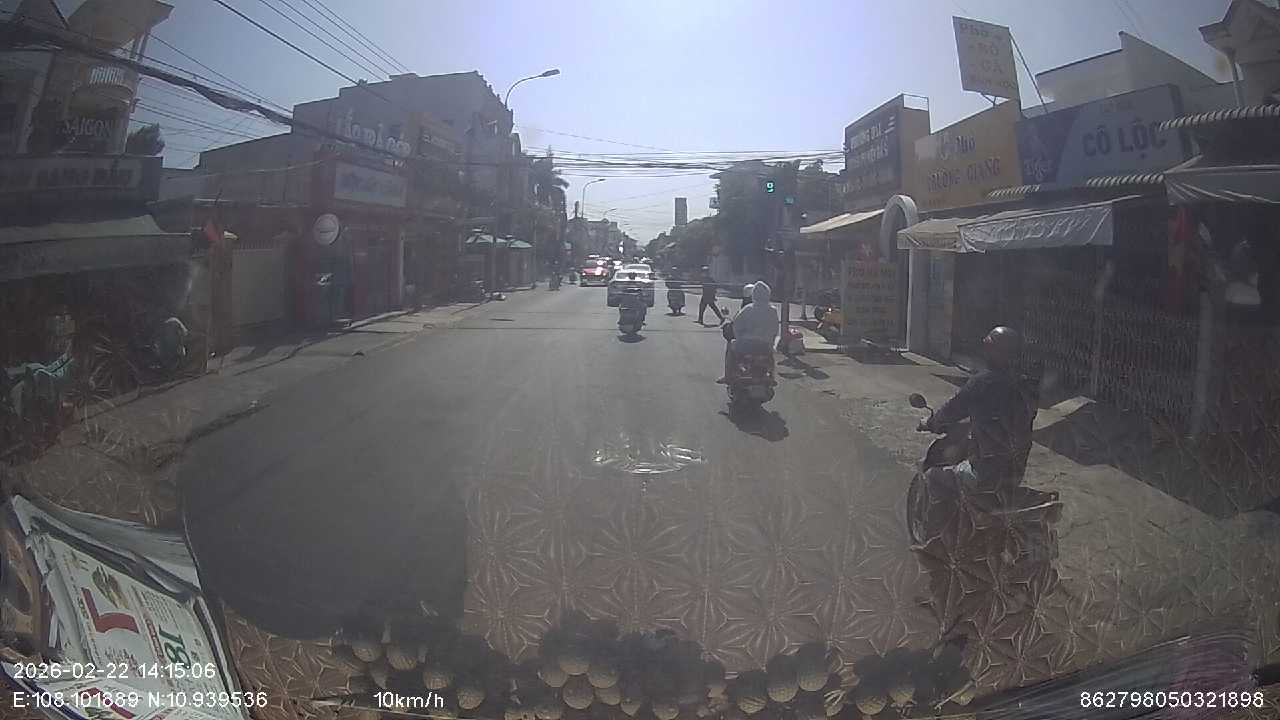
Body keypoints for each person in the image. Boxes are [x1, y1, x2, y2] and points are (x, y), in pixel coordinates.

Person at [919, 326, 1035, 488]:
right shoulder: (1025, 385)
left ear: (996, 352)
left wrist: (931, 422)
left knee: (932, 476)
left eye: (989, 348)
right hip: (1015, 473)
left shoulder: (983, 382)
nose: (985, 352)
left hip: (983, 471)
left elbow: (952, 409)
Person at [717, 281, 778, 384]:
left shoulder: (748, 309)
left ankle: (728, 376)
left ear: (753, 295)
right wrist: (771, 342)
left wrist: (738, 337)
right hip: (765, 345)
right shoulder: (773, 310)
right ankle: (772, 376)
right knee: (771, 355)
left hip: (746, 344)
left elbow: (736, 325)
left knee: (731, 347)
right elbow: (775, 329)